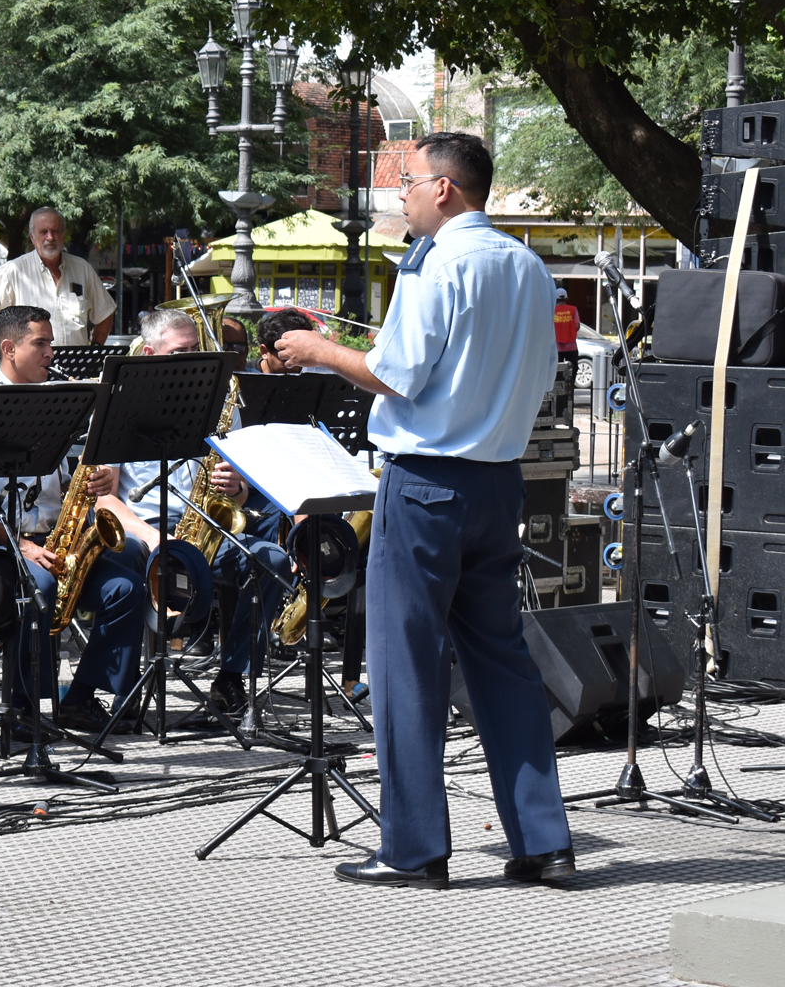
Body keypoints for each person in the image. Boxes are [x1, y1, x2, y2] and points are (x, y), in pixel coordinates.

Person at [275, 131, 570, 889]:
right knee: (503, 663)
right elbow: (539, 375)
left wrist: (316, 349)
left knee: (405, 666)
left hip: (426, 482)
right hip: (499, 480)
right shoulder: (531, 268)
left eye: (407, 181)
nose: (399, 194)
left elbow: (394, 375)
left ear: (445, 189)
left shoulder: (438, 262)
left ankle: (413, 848)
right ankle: (543, 839)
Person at [0, 306, 143, 730]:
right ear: (9, 349)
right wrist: (19, 543)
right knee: (41, 587)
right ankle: (25, 710)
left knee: (127, 586)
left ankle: (80, 698)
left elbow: (55, 486)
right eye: (42, 343)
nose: (52, 352)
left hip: (49, 541)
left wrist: (89, 487)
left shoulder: (52, 402)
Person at [104, 308, 287, 718]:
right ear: (150, 354)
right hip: (144, 528)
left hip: (203, 527)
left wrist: (236, 489)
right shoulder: (120, 404)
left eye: (195, 349)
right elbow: (103, 499)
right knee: (130, 562)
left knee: (271, 559)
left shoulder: (221, 403)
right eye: (180, 351)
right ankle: (125, 689)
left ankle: (232, 676)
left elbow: (238, 494)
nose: (193, 358)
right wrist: (153, 537)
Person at [0, 208, 116, 346]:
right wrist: (0, 350)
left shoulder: (83, 270)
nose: (50, 237)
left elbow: (106, 312)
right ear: (32, 237)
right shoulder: (13, 271)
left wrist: (96, 348)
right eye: (43, 232)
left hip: (74, 367)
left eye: (55, 231)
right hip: (29, 369)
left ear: (63, 235)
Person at [255, 309, 318, 374]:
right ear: (264, 352)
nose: (295, 367)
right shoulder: (245, 377)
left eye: (300, 360)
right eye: (286, 359)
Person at [553, 287, 579, 372]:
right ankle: (571, 383)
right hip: (571, 346)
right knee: (573, 368)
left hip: (556, 347)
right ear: (566, 298)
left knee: (556, 370)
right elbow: (577, 325)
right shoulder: (573, 309)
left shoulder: (552, 310)